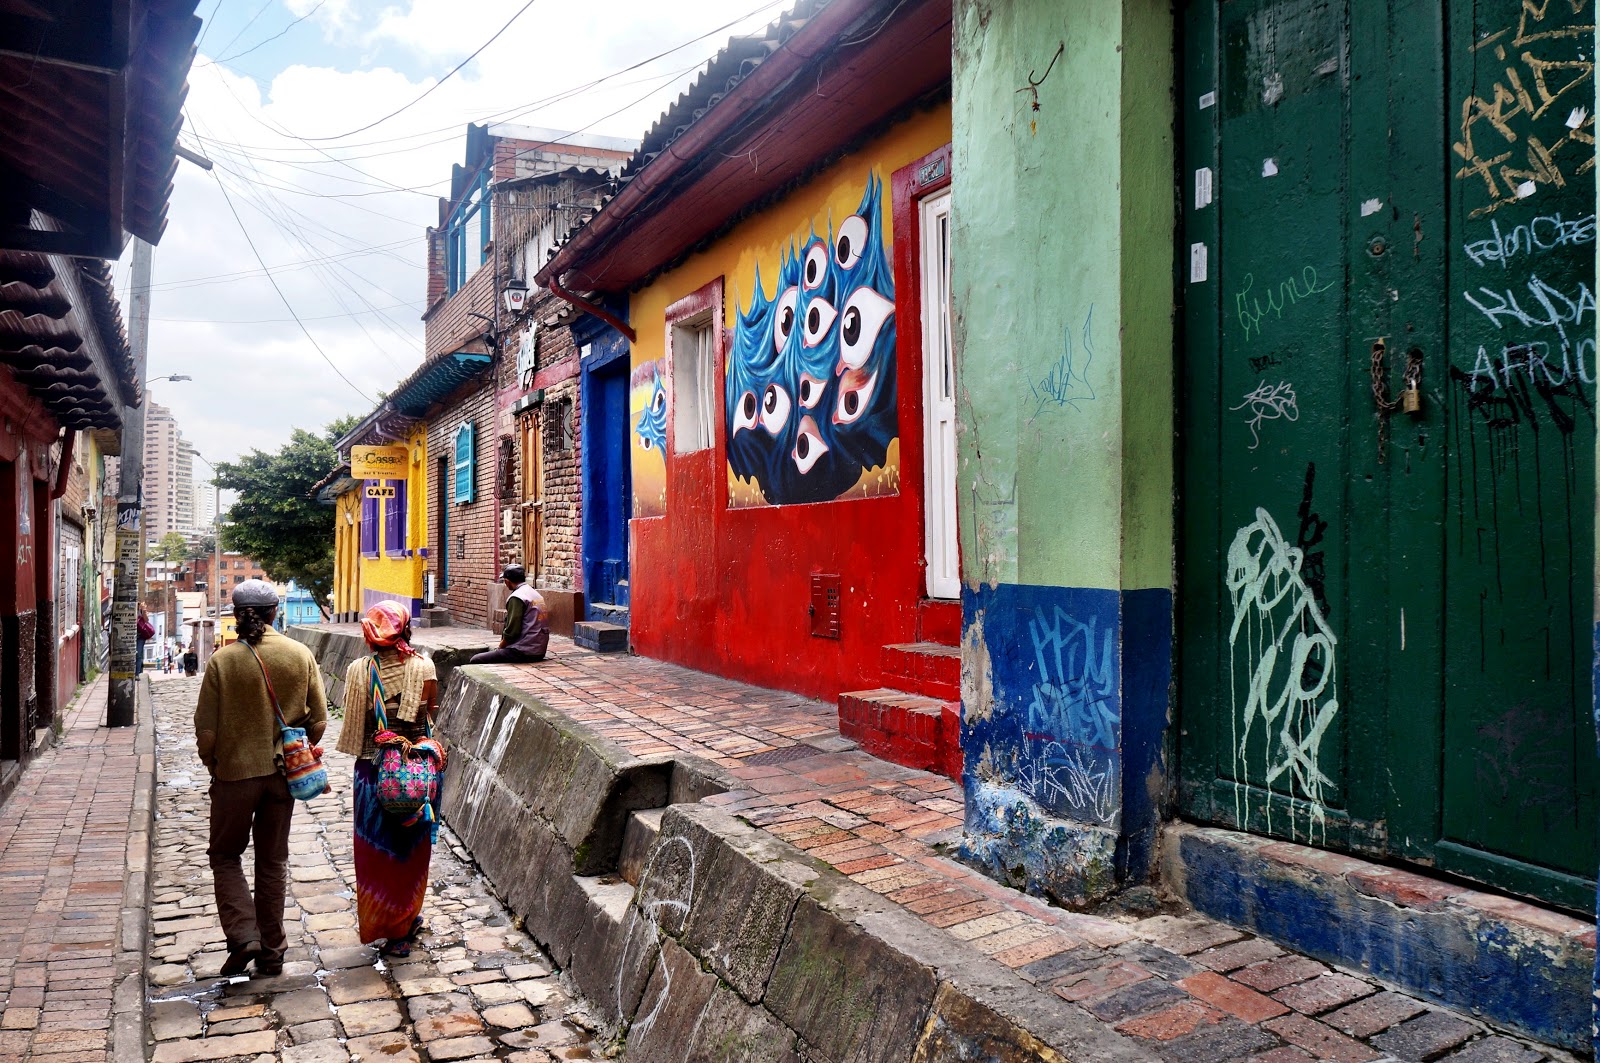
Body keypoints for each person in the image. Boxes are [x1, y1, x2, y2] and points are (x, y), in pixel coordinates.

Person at [194, 579, 327, 978]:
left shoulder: (223, 661)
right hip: (282, 776)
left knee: (224, 855)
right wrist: (297, 748)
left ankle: (242, 935)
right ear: (274, 613)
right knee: (272, 861)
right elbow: (319, 721)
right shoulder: (299, 654)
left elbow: (206, 730)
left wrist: (213, 763)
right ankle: (272, 952)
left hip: (234, 775)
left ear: (237, 615)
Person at [337, 601, 438, 957]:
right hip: (415, 772)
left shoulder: (358, 671)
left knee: (376, 851)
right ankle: (405, 922)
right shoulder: (424, 667)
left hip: (373, 772)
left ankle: (386, 923)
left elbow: (355, 722)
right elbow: (430, 715)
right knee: (411, 849)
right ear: (405, 628)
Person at [468, 565, 549, 664]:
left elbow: (512, 631)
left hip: (523, 651)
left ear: (507, 581)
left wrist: (500, 647)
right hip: (539, 650)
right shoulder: (534, 593)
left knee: (476, 659)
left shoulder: (517, 597)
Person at [136, 603, 154, 675]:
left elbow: (146, 620)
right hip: (131, 635)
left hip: (140, 636)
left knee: (138, 654)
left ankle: (137, 673)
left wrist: (143, 612)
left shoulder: (141, 611)